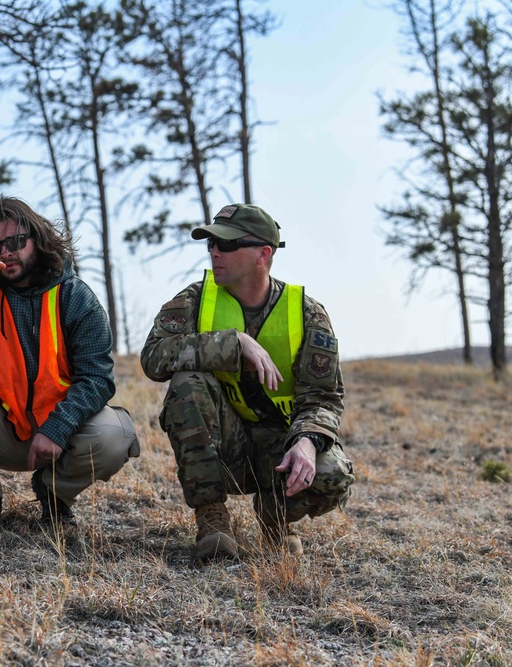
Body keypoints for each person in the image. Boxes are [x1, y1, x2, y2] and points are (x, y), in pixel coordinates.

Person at [140, 204, 354, 562]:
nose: (214, 252)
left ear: (263, 254)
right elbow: (153, 357)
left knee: (331, 473)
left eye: (225, 244)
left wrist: (306, 441)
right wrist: (232, 342)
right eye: (210, 244)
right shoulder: (195, 299)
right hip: (224, 448)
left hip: (280, 449)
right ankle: (213, 520)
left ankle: (276, 518)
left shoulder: (307, 313)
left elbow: (324, 398)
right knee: (188, 382)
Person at [0, 196, 139, 535]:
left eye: (16, 242)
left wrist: (58, 427)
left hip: (61, 437)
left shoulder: (75, 295)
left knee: (116, 433)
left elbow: (97, 378)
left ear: (38, 239)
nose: (5, 252)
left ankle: (53, 493)